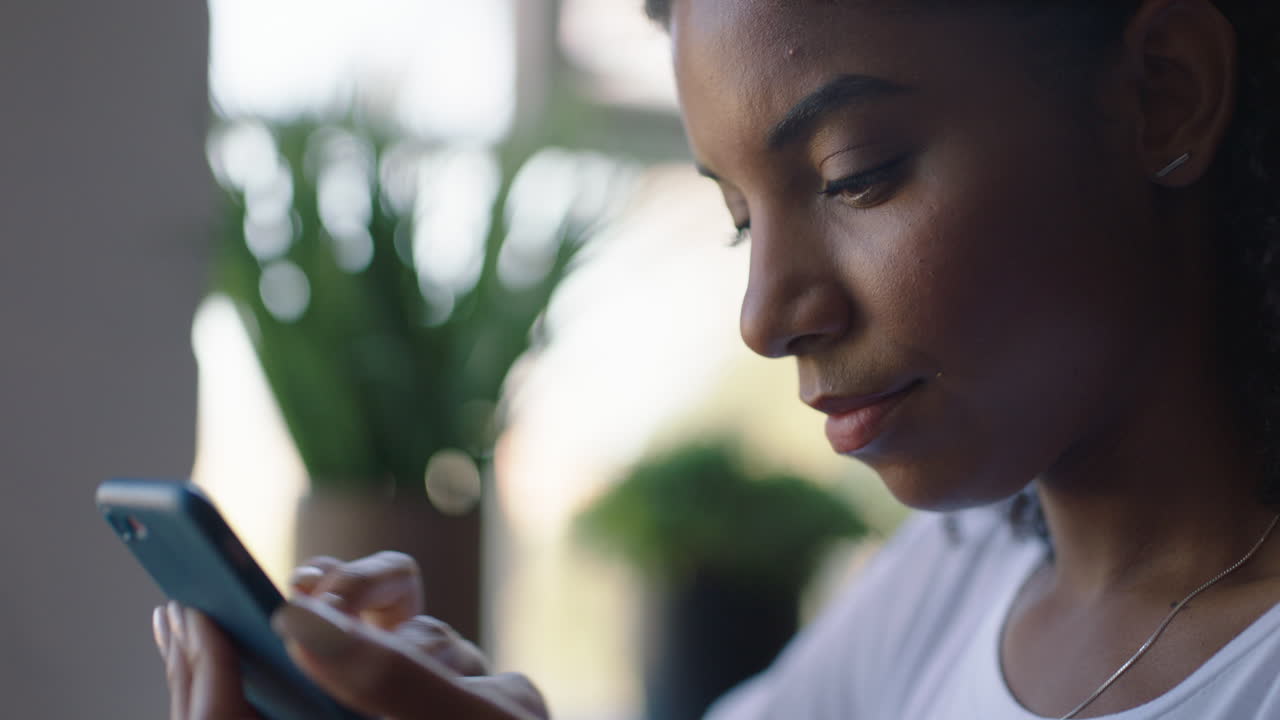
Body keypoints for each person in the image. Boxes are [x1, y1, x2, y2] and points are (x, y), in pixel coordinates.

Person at [155, 0, 1280, 717]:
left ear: (1160, 94)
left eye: (853, 174)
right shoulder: (950, 580)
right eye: (741, 216)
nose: (765, 314)